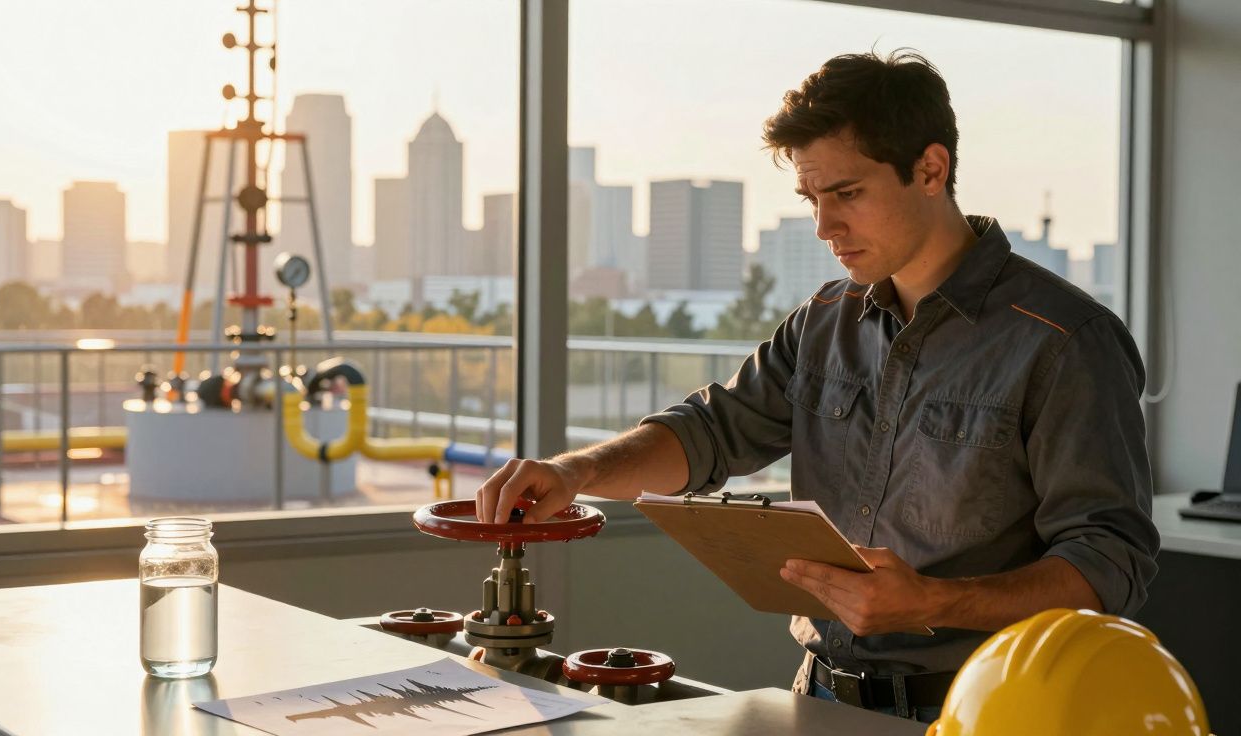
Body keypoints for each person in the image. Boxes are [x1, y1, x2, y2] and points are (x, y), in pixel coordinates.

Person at [474, 49, 1158, 724]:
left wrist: (933, 602)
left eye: (847, 194)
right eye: (812, 199)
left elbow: (1110, 564)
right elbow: (711, 431)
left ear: (931, 169)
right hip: (818, 696)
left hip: (981, 711)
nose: (825, 228)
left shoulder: (1066, 340)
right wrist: (575, 472)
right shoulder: (825, 320)